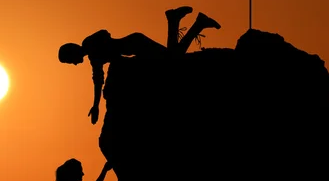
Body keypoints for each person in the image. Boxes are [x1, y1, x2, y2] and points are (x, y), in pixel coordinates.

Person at [58, 7, 221, 125]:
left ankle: (178, 20)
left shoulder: (90, 47)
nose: (74, 63)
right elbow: (97, 80)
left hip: (136, 44)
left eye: (70, 60)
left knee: (173, 60)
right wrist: (95, 105)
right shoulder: (94, 58)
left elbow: (104, 33)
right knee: (174, 58)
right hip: (137, 48)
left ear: (72, 51)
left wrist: (113, 56)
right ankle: (192, 22)